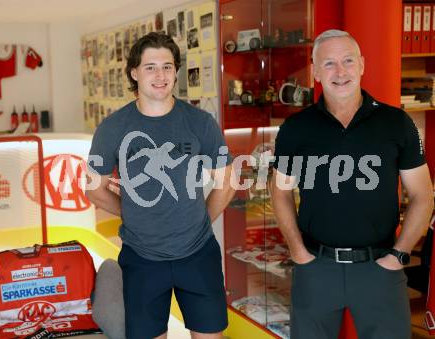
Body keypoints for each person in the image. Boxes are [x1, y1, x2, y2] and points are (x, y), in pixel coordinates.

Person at [271, 29, 434, 339]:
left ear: (362, 65)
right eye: (329, 63)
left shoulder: (397, 123)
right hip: (315, 268)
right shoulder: (296, 128)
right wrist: (298, 251)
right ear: (315, 71)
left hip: (380, 268)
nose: (340, 71)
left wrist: (399, 255)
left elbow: (423, 195)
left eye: (348, 60)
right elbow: (279, 191)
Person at [86, 32, 236, 339]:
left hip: (198, 254)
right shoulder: (113, 128)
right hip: (142, 258)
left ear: (177, 72)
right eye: (151, 67)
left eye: (167, 66)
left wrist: (201, 221)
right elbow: (94, 189)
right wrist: (130, 212)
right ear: (134, 72)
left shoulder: (200, 122)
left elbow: (228, 181)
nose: (160, 75)